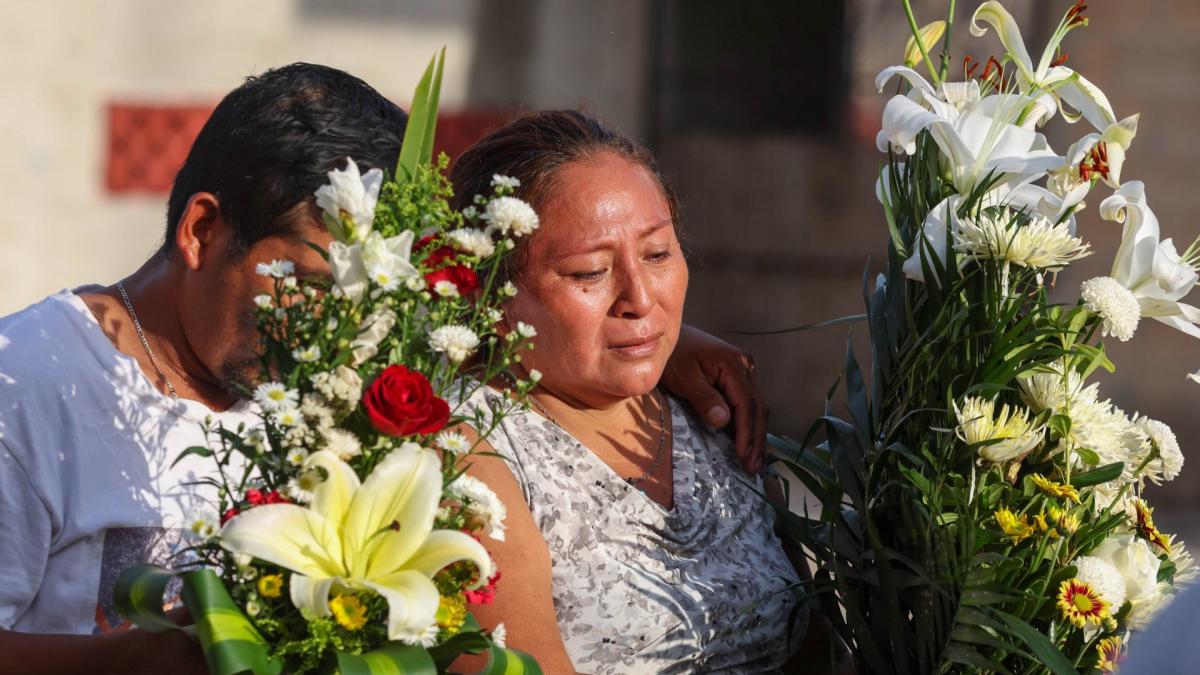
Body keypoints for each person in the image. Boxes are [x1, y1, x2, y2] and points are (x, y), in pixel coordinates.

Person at [0, 65, 771, 674]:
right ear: (203, 230)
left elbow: (516, 323)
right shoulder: (27, 384)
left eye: (365, 292)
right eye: (304, 283)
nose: (337, 327)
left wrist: (673, 347)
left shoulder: (335, 350)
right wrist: (141, 659)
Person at [451, 110, 806, 674]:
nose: (639, 298)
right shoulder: (472, 450)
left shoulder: (714, 413)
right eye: (589, 272)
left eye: (658, 254)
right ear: (490, 295)